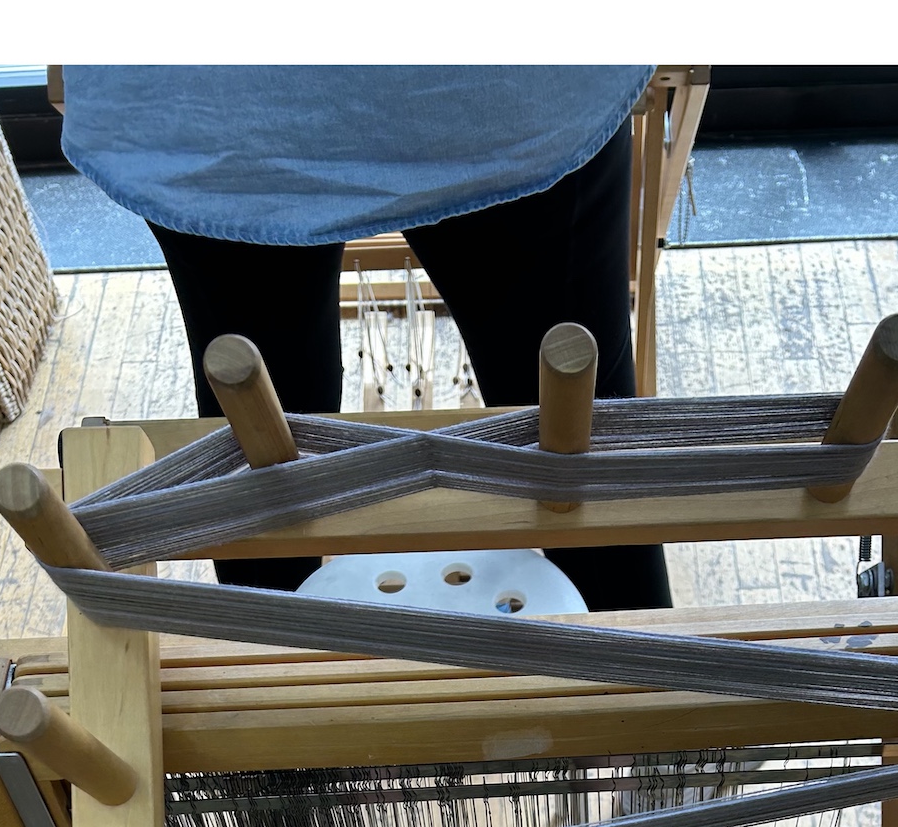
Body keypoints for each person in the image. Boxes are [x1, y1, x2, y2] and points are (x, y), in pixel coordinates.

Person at [60, 65, 673, 610]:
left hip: (217, 108)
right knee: (582, 442)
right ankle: (647, 688)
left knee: (255, 443)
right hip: (497, 91)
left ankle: (278, 675)